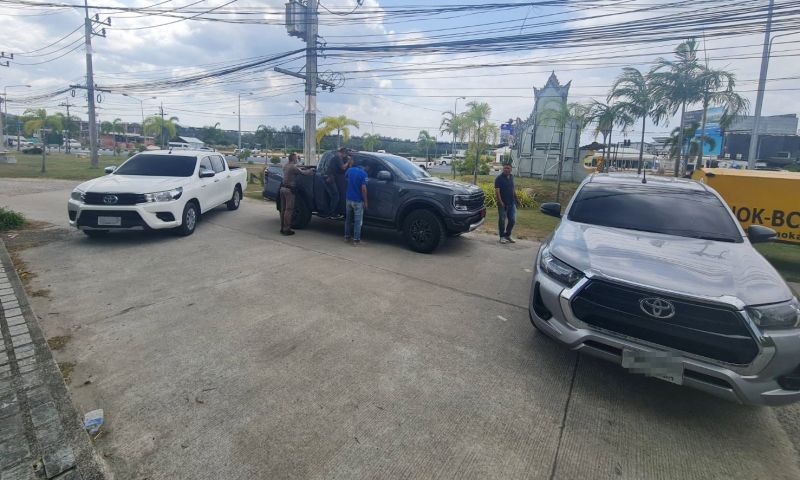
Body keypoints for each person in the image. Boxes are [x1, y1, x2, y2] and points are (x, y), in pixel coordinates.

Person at [279, 153, 314, 236]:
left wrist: (301, 167)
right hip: (289, 190)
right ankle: (287, 229)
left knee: (283, 209)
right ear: (293, 158)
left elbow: (297, 168)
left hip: (282, 189)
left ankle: (282, 227)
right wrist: (311, 171)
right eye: (296, 157)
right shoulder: (293, 167)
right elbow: (303, 173)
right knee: (289, 210)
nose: (297, 158)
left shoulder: (286, 166)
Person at [344, 159, 368, 245]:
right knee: (358, 221)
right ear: (364, 167)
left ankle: (346, 237)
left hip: (348, 199)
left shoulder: (350, 170)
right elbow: (364, 189)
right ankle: (356, 240)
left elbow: (346, 177)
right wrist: (365, 202)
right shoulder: (364, 174)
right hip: (358, 201)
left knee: (348, 219)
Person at [324, 147, 350, 218]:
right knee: (336, 196)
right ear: (343, 153)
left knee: (335, 195)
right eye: (346, 154)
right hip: (330, 177)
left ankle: (333, 211)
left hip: (330, 177)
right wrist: (348, 161)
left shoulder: (336, 156)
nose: (345, 156)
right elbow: (343, 168)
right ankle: (332, 213)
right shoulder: (338, 157)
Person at [495, 163, 517, 244]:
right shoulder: (498, 178)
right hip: (502, 204)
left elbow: (512, 188)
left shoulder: (511, 177)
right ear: (502, 169)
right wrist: (500, 202)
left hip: (511, 203)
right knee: (502, 220)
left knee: (512, 220)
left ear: (511, 169)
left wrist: (516, 197)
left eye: (508, 168)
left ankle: (508, 235)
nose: (506, 169)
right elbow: (497, 192)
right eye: (504, 168)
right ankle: (502, 237)